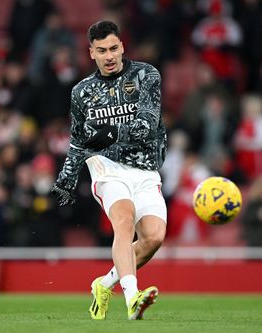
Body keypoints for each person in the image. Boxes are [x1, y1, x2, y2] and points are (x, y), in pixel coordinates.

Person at [51, 21, 167, 320]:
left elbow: (148, 124)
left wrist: (111, 131)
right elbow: (78, 140)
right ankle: (132, 298)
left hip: (145, 166)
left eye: (114, 48)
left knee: (154, 237)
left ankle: (104, 285)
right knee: (124, 220)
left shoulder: (146, 75)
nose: (109, 55)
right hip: (106, 166)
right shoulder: (82, 92)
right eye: (101, 50)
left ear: (123, 46)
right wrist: (66, 178)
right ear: (91, 53)